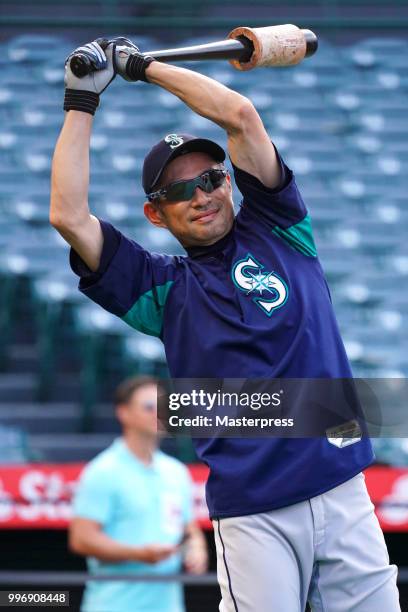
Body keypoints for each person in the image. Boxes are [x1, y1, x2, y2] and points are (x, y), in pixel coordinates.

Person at [52, 39, 400, 611]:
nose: (203, 195)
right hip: (255, 512)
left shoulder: (281, 227)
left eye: (211, 179)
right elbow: (68, 215)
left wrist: (145, 67)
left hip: (343, 487)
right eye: (179, 191)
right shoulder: (160, 289)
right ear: (155, 214)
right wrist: (80, 102)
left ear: (229, 181)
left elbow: (239, 115)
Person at [69, 376, 208, 612]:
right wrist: (139, 554)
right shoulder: (102, 471)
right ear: (123, 413)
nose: (159, 413)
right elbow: (81, 539)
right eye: (148, 406)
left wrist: (197, 547)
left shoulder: (176, 472)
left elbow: (188, 528)